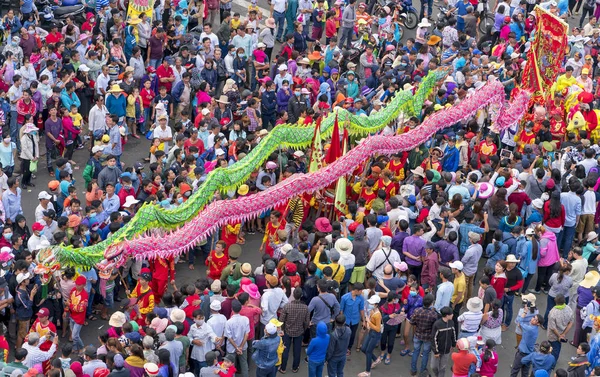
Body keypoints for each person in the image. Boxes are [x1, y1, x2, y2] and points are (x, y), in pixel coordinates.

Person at [431, 306, 456, 377]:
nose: (452, 315)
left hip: (446, 350)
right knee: (434, 366)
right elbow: (433, 338)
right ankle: (437, 375)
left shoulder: (451, 323)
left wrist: (453, 344)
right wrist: (436, 351)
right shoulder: (437, 324)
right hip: (437, 350)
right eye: (451, 314)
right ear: (447, 315)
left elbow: (453, 334)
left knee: (442, 367)